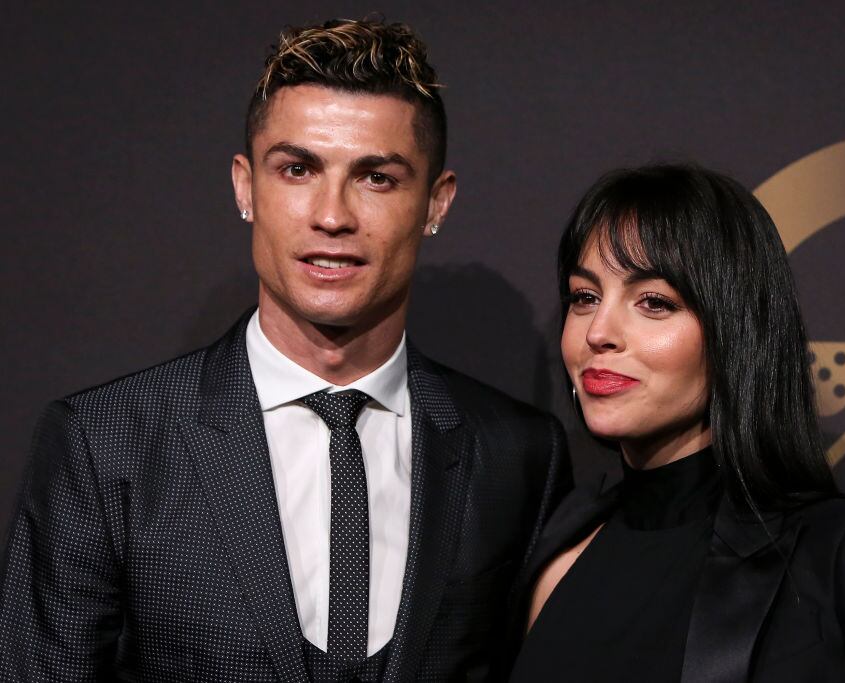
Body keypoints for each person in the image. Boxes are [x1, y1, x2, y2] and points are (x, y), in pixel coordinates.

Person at [0, 19, 570, 682]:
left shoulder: (517, 454)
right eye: (298, 169)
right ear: (246, 188)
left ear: (435, 203)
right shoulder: (105, 442)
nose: (332, 214)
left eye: (377, 178)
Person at [508, 164, 845, 682]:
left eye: (654, 302)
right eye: (584, 298)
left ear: (735, 332)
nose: (599, 332)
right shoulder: (556, 546)